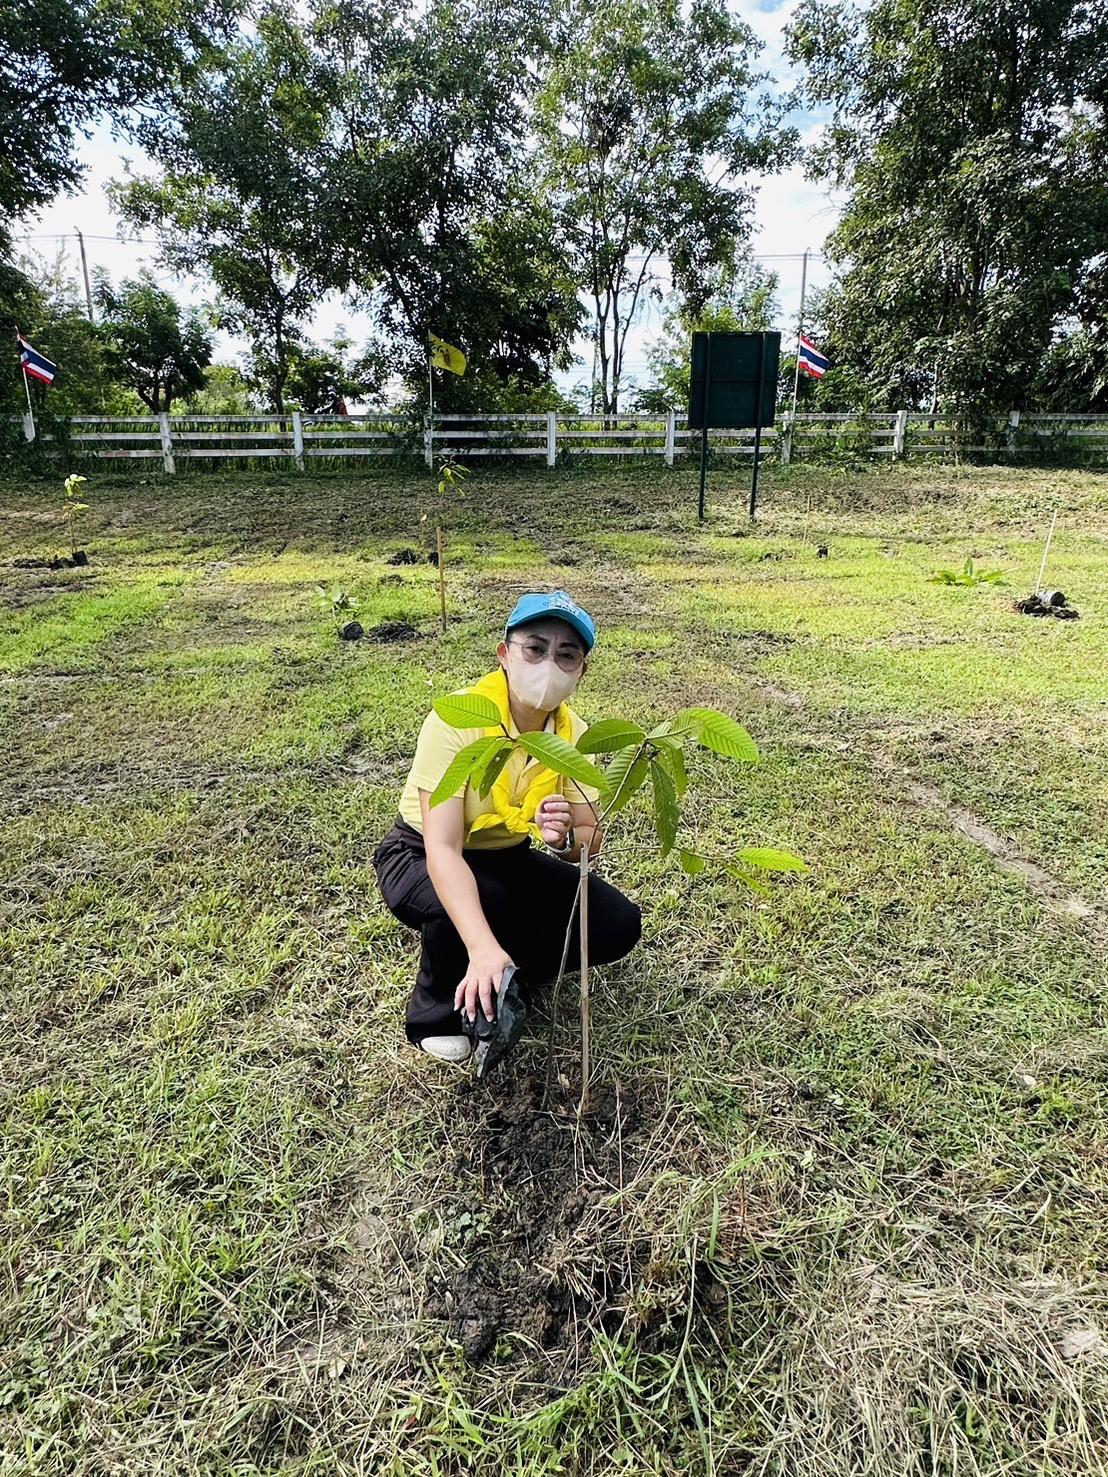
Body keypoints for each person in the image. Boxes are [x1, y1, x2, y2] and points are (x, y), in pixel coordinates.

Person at [373, 590, 641, 1064]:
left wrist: (561, 842)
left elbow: (589, 838)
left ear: (582, 672)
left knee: (617, 922)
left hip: (507, 854)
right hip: (419, 852)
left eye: (567, 655)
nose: (548, 665)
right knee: (475, 900)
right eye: (535, 649)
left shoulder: (574, 736)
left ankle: (510, 970)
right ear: (504, 654)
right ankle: (434, 1011)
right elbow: (442, 847)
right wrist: (479, 947)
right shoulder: (459, 719)